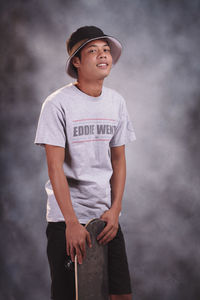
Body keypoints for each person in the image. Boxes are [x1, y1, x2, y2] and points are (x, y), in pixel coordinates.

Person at [34, 25, 136, 300]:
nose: (103, 56)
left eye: (106, 50)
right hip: (67, 221)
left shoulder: (116, 102)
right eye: (93, 51)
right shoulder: (57, 104)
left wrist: (115, 210)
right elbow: (55, 167)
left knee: (121, 296)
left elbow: (119, 159)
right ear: (76, 62)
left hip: (106, 220)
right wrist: (70, 223)